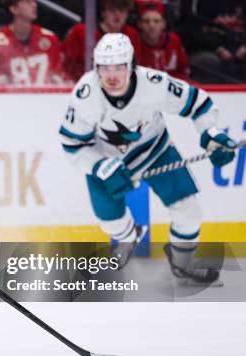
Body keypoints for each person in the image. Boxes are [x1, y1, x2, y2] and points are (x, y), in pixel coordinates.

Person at [58, 33, 236, 283]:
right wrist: (99, 165)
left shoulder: (153, 83)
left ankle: (183, 264)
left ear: (131, 65)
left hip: (155, 152)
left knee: (189, 212)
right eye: (104, 67)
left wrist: (211, 132)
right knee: (110, 222)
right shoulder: (85, 96)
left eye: (119, 67)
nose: (111, 75)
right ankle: (129, 235)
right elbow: (72, 145)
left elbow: (199, 104)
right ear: (95, 67)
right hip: (105, 162)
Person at [0, 0, 64, 86]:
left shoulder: (49, 38)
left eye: (34, 1)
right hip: (12, 98)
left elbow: (59, 76)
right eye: (28, 1)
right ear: (14, 9)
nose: (34, 5)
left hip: (45, 98)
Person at [62, 0, 140, 82]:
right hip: (80, 85)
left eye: (122, 10)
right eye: (111, 10)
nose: (117, 15)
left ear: (127, 14)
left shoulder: (132, 35)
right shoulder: (80, 32)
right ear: (103, 12)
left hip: (117, 86)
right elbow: (66, 66)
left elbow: (135, 68)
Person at [135, 0, 189, 80]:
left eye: (156, 21)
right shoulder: (134, 42)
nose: (151, 25)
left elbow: (184, 71)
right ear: (139, 24)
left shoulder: (174, 40)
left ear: (163, 24)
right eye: (146, 21)